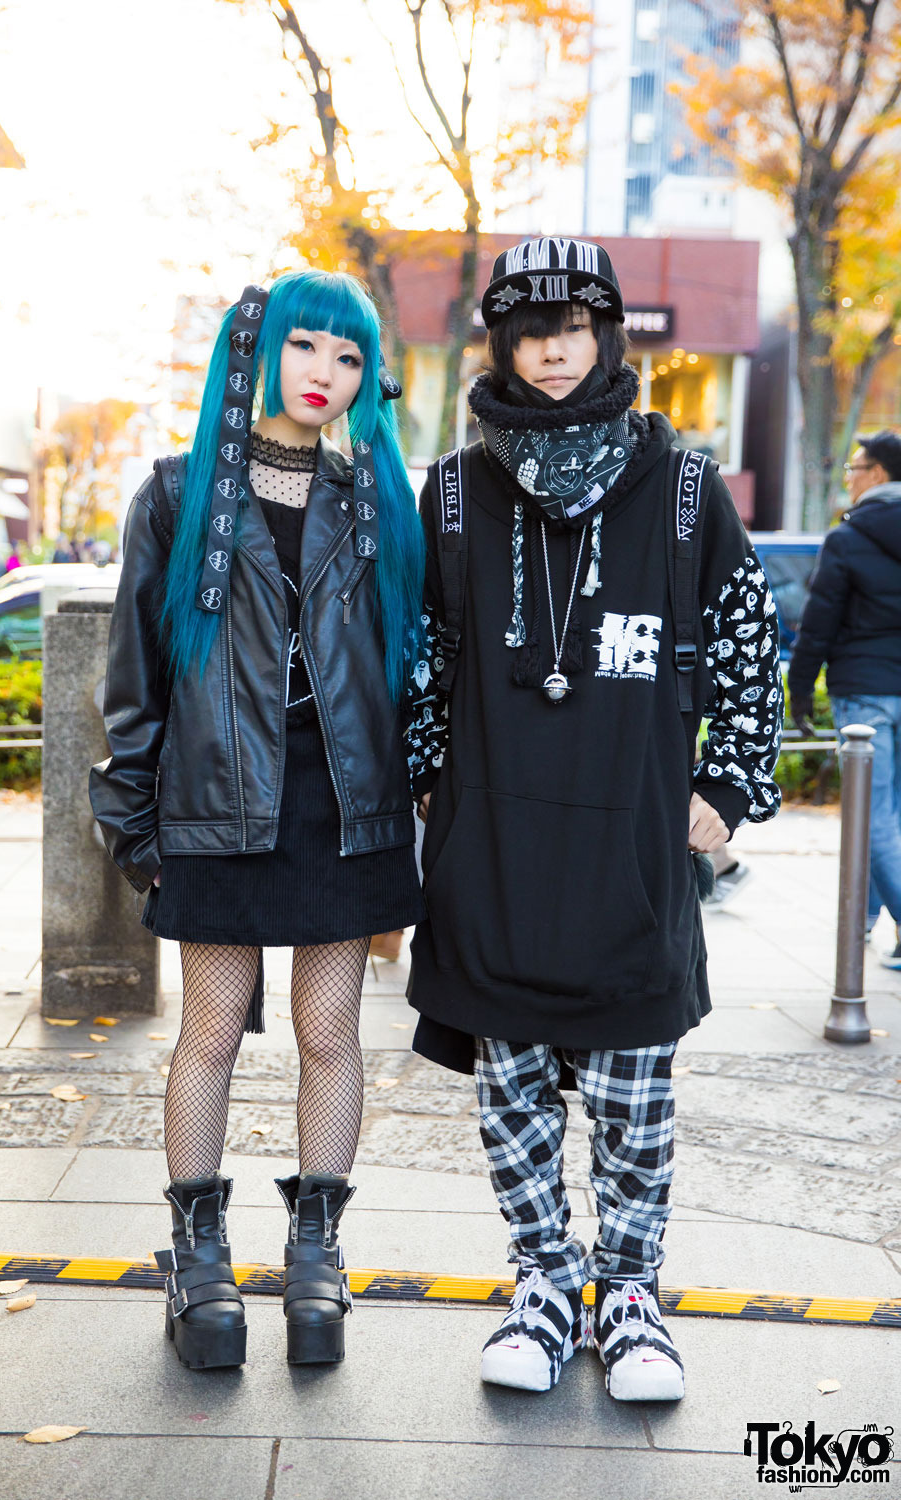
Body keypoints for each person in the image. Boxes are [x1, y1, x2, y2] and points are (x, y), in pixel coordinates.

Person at [404, 237, 782, 1402]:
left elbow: (748, 643)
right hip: (497, 852)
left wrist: (725, 791)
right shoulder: (457, 489)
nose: (552, 349)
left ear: (608, 333)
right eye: (527, 329)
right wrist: (430, 787)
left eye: (572, 325)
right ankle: (538, 1281)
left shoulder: (681, 484)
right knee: (510, 1089)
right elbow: (419, 654)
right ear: (502, 346)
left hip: (629, 849)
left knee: (632, 1095)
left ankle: (627, 1294)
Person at [89, 271, 425, 1373]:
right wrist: (135, 827)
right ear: (258, 355)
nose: (326, 375)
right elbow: (135, 681)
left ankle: (318, 1257)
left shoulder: (373, 499)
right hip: (217, 807)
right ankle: (196, 1258)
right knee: (213, 1030)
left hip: (340, 809)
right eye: (305, 349)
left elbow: (403, 672)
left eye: (347, 357)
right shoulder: (177, 494)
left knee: (332, 1034)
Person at [788, 430, 901, 967]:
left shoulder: (849, 538)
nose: (849, 478)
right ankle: (866, 919)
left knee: (872, 818)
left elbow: (818, 624)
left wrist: (801, 691)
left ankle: (889, 917)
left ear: (878, 474)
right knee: (890, 817)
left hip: (865, 693)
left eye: (855, 467)